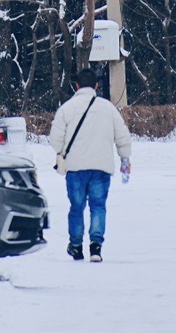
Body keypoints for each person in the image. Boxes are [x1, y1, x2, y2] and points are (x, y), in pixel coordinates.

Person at [48, 65, 132, 262]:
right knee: (98, 206)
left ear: (76, 86)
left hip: (75, 168)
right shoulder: (108, 108)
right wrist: (124, 158)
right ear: (96, 85)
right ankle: (96, 246)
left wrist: (61, 153)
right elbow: (122, 136)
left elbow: (55, 139)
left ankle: (76, 246)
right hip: (101, 167)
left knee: (76, 207)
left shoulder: (67, 109)